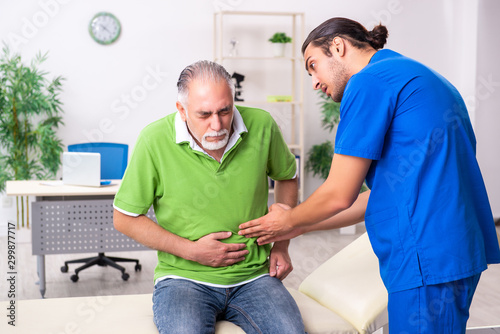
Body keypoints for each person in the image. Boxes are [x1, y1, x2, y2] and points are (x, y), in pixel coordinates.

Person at [239, 17, 500, 333]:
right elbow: (381, 197)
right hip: (453, 249)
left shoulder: (369, 82)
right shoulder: (421, 76)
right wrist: (297, 227)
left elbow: (339, 193)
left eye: (314, 66)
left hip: (425, 255)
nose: (315, 83)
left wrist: (288, 219)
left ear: (338, 46)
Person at [113, 60, 305, 334]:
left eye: (225, 111)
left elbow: (287, 175)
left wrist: (281, 246)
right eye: (204, 115)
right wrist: (192, 251)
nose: (217, 124)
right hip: (183, 279)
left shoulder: (261, 125)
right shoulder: (153, 140)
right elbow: (124, 218)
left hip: (254, 277)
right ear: (181, 110)